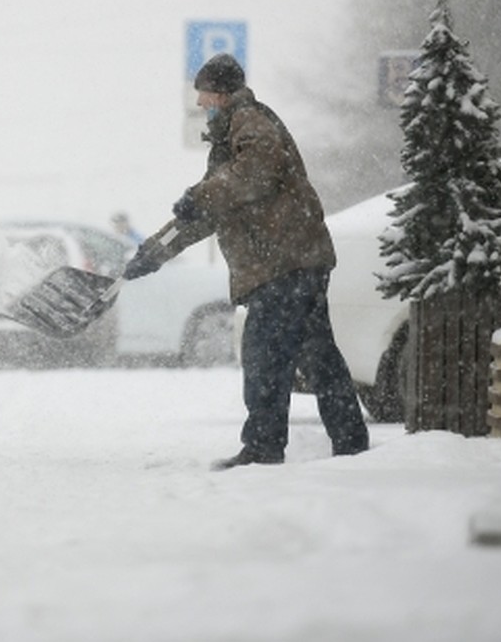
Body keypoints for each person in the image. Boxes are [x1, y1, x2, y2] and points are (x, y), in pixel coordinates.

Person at [122, 53, 368, 469]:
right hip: (293, 260)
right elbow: (211, 208)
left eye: (203, 95)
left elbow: (250, 179)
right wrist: (154, 253)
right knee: (318, 357)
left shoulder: (250, 122)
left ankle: (263, 447)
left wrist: (199, 196)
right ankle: (350, 445)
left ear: (220, 92)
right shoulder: (228, 137)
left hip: (283, 263)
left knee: (265, 356)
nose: (200, 104)